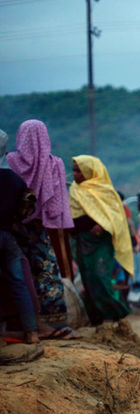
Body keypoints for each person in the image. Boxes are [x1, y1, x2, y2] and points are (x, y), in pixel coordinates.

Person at [6, 120, 81, 339]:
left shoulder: (10, 160)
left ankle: (23, 324)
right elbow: (56, 203)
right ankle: (57, 325)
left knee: (18, 275)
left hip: (12, 227)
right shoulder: (54, 164)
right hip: (39, 228)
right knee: (47, 274)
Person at [69, 155, 133, 325]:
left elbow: (115, 216)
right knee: (87, 279)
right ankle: (96, 319)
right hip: (81, 240)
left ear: (90, 171)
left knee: (100, 277)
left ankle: (116, 314)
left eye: (79, 171)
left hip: (100, 243)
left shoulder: (105, 190)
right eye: (74, 170)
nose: (75, 174)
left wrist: (102, 225)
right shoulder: (74, 190)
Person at [0, 129, 39, 345]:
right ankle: (31, 333)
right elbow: (24, 210)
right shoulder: (16, 181)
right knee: (19, 283)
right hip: (10, 237)